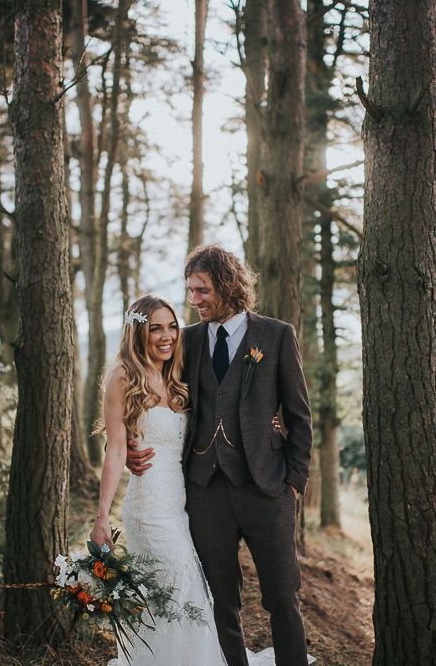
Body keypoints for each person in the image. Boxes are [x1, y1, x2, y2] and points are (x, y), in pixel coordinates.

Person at [128, 246, 313, 666]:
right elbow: (146, 397)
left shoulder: (276, 335)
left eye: (202, 290)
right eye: (190, 291)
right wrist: (122, 448)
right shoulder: (185, 341)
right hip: (205, 489)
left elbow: (299, 415)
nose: (195, 300)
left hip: (267, 487)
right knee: (219, 600)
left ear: (228, 285)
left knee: (283, 597)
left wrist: (294, 481)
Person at [90, 295, 228, 666]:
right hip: (149, 508)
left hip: (180, 505)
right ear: (138, 332)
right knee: (170, 593)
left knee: (182, 593)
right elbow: (116, 450)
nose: (167, 336)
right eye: (156, 329)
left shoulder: (175, 373)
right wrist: (102, 516)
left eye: (171, 327)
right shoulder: (122, 377)